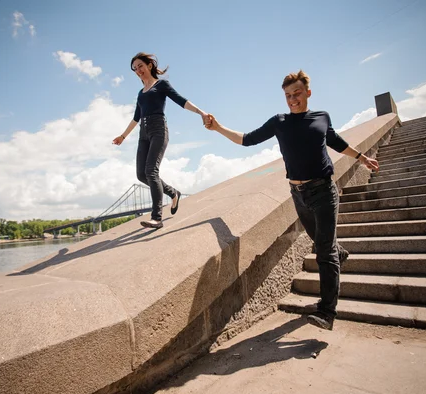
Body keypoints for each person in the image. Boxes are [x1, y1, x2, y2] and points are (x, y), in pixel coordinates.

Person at [205, 70, 379, 330]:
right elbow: (246, 140)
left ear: (308, 92)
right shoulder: (279, 121)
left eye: (297, 93)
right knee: (321, 242)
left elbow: (336, 141)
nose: (292, 99)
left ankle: (327, 312)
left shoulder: (321, 117)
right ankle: (339, 253)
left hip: (323, 191)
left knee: (324, 252)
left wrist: (361, 157)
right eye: (287, 95)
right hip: (297, 193)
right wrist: (217, 127)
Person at [113, 52, 209, 229]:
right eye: (134, 69)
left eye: (140, 66)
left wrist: (201, 113)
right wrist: (123, 136)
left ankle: (157, 218)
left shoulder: (161, 84)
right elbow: (136, 118)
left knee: (151, 171)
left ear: (149, 66)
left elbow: (181, 100)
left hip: (158, 129)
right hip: (143, 133)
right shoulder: (141, 93)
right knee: (141, 174)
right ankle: (174, 193)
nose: (138, 70)